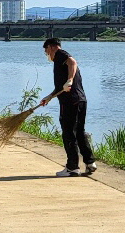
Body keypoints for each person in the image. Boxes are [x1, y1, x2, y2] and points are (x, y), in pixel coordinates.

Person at [41, 38, 97, 177]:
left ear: (52, 47)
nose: (47, 54)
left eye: (47, 50)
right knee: (79, 132)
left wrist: (70, 80)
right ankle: (90, 163)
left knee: (68, 133)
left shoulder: (61, 54)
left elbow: (73, 62)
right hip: (80, 100)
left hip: (70, 102)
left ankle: (72, 168)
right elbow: (61, 87)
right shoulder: (59, 62)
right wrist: (49, 97)